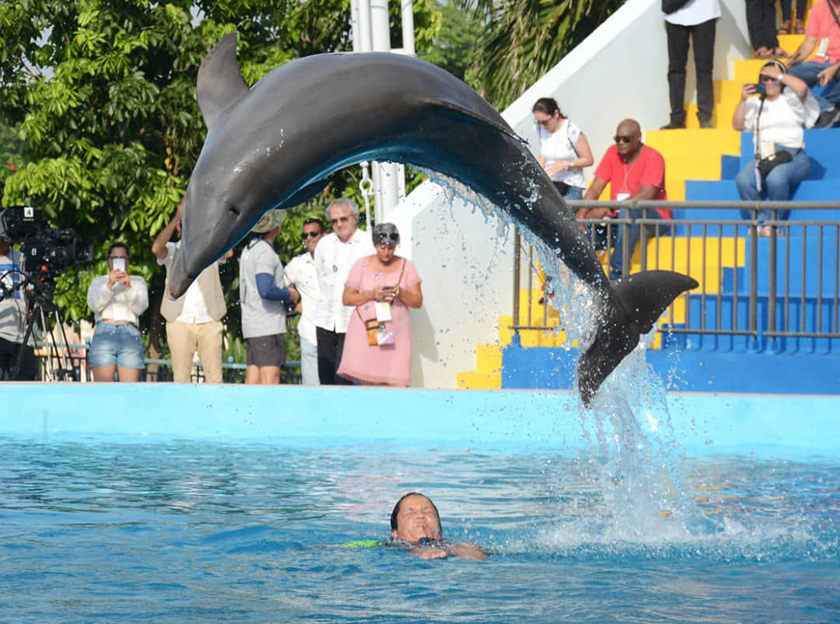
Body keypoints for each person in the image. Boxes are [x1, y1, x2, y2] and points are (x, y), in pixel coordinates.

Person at [577, 119, 671, 281]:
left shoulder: (653, 157)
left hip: (652, 218)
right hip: (620, 218)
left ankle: (617, 276)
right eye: (617, 138)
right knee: (581, 224)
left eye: (626, 139)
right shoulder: (612, 152)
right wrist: (582, 215)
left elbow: (645, 196)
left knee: (630, 212)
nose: (621, 143)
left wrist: (608, 208)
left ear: (639, 137)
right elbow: (596, 188)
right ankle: (575, 277)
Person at [733, 60, 818, 234]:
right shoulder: (755, 104)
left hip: (793, 156)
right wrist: (742, 100)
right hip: (765, 157)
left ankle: (775, 224)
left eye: (774, 79)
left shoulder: (790, 99)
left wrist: (777, 73)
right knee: (743, 180)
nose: (770, 82)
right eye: (766, 79)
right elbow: (737, 125)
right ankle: (759, 222)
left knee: (776, 178)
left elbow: (802, 88)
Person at [152, 200, 231, 384]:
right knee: (181, 380)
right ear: (180, 228)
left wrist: (210, 221)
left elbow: (228, 253)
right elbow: (156, 248)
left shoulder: (210, 249)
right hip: (179, 320)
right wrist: (176, 219)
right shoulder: (172, 250)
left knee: (215, 380)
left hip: (209, 320)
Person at [337, 223, 422, 386]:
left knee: (398, 383)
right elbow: (346, 299)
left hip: (397, 336)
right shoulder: (361, 265)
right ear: (375, 244)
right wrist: (371, 294)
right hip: (367, 329)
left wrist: (401, 293)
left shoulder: (407, 266)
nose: (387, 252)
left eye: (391, 247)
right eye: (382, 247)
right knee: (369, 383)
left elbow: (417, 301)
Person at [313, 198, 374, 385]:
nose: (339, 224)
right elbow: (320, 278)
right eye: (334, 221)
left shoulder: (367, 243)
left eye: (343, 219)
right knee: (325, 378)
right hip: (326, 319)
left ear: (355, 217)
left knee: (344, 378)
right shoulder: (324, 244)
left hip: (354, 320)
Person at [239, 209, 299, 385]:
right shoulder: (265, 252)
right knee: (270, 381)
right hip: (266, 326)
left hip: (252, 324)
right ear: (274, 227)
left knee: (254, 380)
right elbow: (265, 290)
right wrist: (290, 294)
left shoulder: (249, 249)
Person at [86, 243, 149, 382]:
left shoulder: (137, 282)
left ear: (128, 261)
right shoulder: (99, 281)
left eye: (122, 258)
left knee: (130, 391)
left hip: (129, 332)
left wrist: (128, 287)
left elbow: (141, 308)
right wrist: (109, 285)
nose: (117, 262)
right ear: (109, 261)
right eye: (114, 258)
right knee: (103, 391)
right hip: (104, 332)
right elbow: (94, 306)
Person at [661, 0, 721, 129]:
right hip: (674, 13)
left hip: (705, 12)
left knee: (704, 68)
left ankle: (705, 117)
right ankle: (676, 118)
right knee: (675, 69)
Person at [284, 218, 326, 386]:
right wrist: (295, 299)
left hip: (336, 334)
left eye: (313, 234)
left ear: (324, 235)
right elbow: (278, 285)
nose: (309, 238)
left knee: (338, 390)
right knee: (312, 390)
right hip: (310, 334)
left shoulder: (336, 260)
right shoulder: (298, 264)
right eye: (305, 235)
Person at [785, 0, 840, 127]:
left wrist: (833, 69)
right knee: (784, 75)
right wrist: (794, 59)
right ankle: (827, 109)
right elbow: (809, 42)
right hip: (820, 61)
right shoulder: (819, 7)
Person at [389, 492, 487, 561]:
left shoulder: (456, 547)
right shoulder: (382, 548)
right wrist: (417, 551)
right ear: (395, 533)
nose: (420, 515)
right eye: (410, 512)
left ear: (440, 527)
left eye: (428, 510)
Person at [531, 97, 594, 199]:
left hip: (572, 185)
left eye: (545, 122)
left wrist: (566, 164)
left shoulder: (571, 131)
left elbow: (589, 160)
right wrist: (541, 168)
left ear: (556, 114)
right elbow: (544, 152)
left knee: (562, 213)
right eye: (538, 122)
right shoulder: (540, 129)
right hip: (551, 183)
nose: (542, 126)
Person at [0, 234, 38, 380]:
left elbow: (29, 290)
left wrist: (31, 304)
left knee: (25, 385)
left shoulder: (21, 258)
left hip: (22, 336)